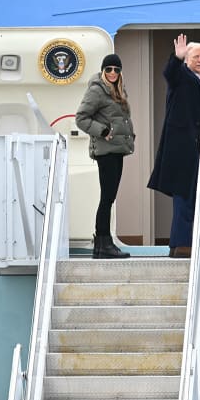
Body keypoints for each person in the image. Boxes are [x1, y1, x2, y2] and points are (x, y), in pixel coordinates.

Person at [147, 34, 200, 258]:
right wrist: (176, 58)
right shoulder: (181, 76)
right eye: (196, 56)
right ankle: (182, 244)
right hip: (182, 150)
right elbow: (170, 74)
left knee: (198, 196)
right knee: (184, 197)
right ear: (187, 59)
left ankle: (186, 243)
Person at [75, 53, 135, 259]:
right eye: (108, 69)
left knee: (109, 197)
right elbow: (81, 118)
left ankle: (102, 246)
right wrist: (102, 131)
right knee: (107, 198)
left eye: (116, 70)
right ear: (103, 70)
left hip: (117, 149)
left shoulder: (118, 91)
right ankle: (103, 242)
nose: (112, 73)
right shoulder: (97, 90)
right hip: (106, 150)